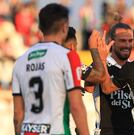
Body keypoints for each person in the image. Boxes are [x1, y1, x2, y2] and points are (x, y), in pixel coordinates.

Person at [12, 3, 105, 135]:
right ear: (64, 27)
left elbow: (17, 115)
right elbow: (76, 106)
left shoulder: (20, 61)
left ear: (40, 28)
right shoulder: (68, 57)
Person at [85, 22, 134, 135]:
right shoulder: (99, 65)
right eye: (122, 41)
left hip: (132, 131)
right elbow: (89, 89)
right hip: (106, 131)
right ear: (111, 42)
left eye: (130, 41)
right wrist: (99, 58)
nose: (127, 45)